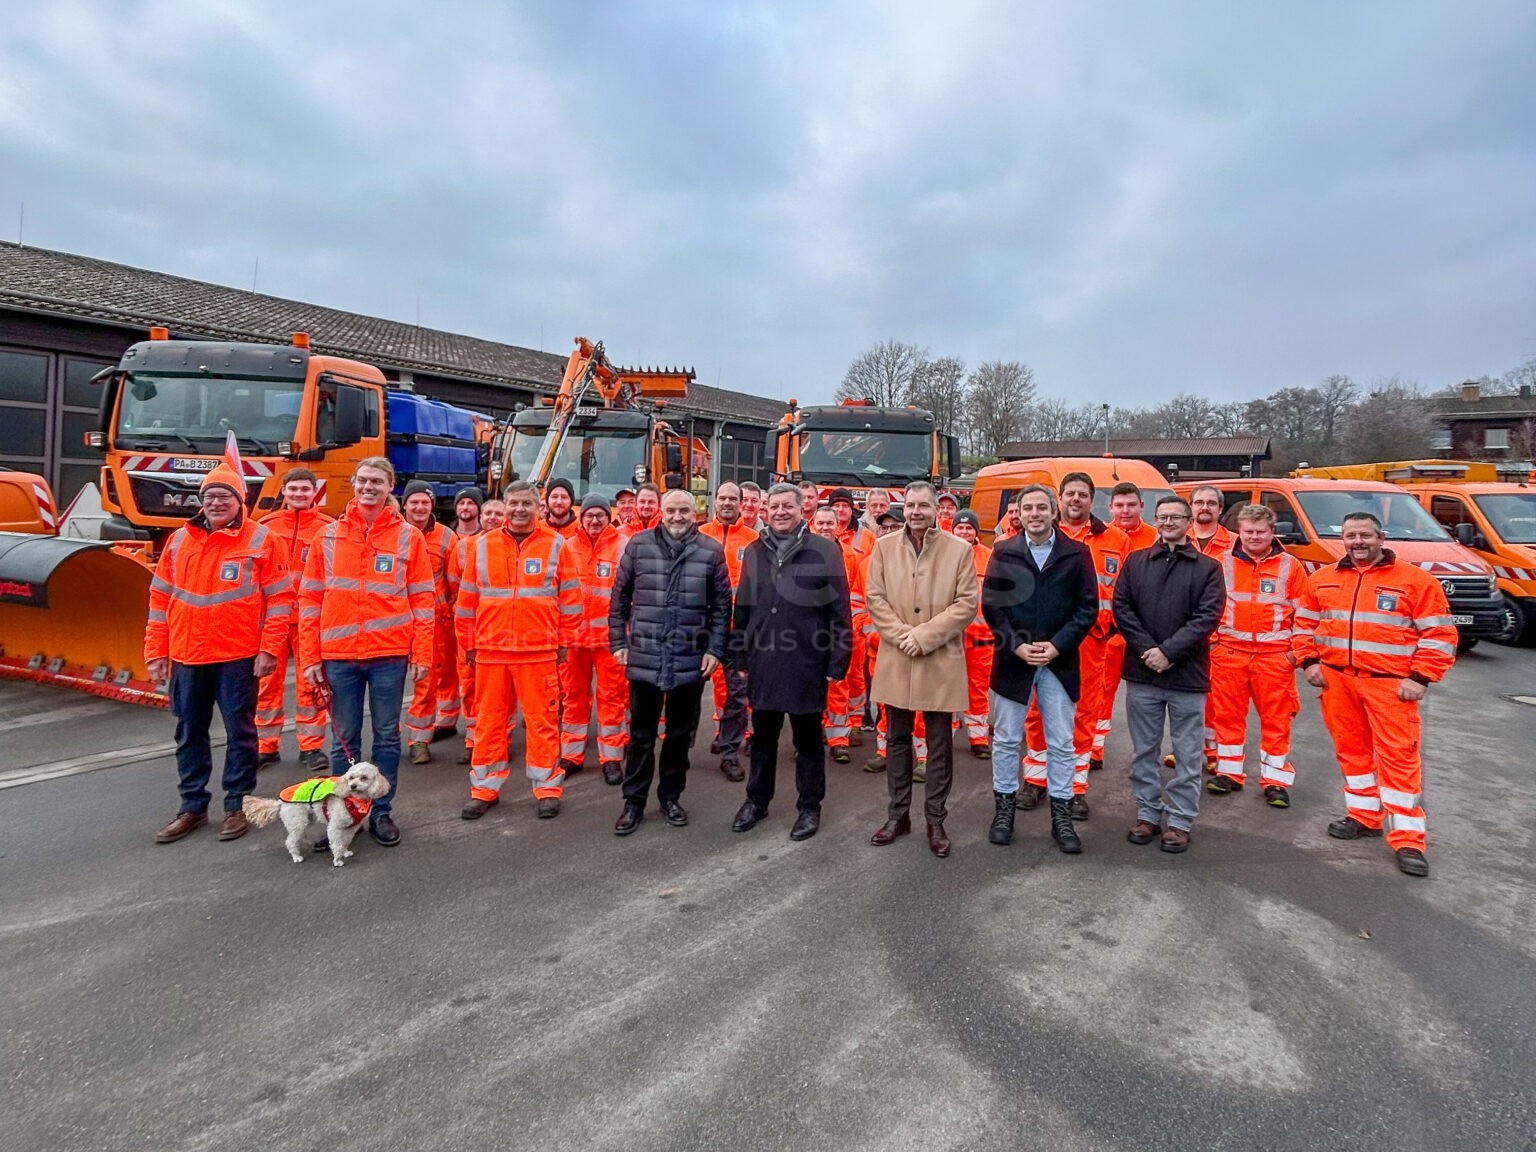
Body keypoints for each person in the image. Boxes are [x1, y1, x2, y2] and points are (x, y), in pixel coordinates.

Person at [1293, 512, 1456, 877]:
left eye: (1365, 535)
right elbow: (1302, 624)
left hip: (1391, 684)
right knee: (1352, 752)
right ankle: (1364, 816)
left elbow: (1440, 635)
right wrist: (1309, 663)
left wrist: (1422, 677)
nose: (1357, 542)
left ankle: (1408, 839)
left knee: (1398, 758)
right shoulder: (1322, 579)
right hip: (1337, 680)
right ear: (1343, 540)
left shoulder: (1415, 581)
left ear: (1381, 537)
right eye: (1350, 535)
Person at [146, 461, 293, 844]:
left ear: (239, 501)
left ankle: (237, 805)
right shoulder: (179, 541)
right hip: (187, 657)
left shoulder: (262, 540)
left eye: (224, 496)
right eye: (209, 496)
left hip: (238, 657)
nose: (215, 503)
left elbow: (280, 601)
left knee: (241, 734)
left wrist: (270, 649)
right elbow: (160, 599)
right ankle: (192, 807)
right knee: (189, 733)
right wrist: (156, 652)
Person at [299, 456, 435, 848]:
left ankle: (380, 812)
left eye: (376, 480)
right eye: (361, 480)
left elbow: (424, 600)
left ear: (390, 486)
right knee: (345, 741)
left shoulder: (409, 537)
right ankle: (342, 818)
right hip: (339, 656)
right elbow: (308, 600)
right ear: (354, 485)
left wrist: (422, 656)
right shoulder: (328, 537)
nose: (367, 487)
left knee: (388, 738)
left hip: (388, 656)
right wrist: (310, 658)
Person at [729, 483, 852, 841]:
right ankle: (757, 800)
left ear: (803, 511)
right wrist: (739, 654)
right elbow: (744, 608)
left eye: (788, 506)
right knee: (763, 738)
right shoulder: (754, 551)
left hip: (806, 662)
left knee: (808, 741)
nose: (780, 512)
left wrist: (836, 662)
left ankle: (809, 806)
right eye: (775, 506)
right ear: (766, 511)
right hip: (763, 659)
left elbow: (839, 613)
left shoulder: (826, 552)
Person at [609, 488, 732, 834]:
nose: (677, 517)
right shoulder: (638, 545)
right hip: (645, 656)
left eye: (684, 511)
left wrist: (715, 650)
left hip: (689, 658)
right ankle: (633, 802)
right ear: (661, 511)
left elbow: (722, 609)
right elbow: (619, 599)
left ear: (695, 513)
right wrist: (619, 641)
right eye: (672, 510)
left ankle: (670, 797)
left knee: (678, 735)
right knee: (641, 735)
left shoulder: (711, 551)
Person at [982, 484, 1097, 853]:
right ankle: (1004, 811)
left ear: (1053, 512)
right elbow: (992, 607)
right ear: (1019, 513)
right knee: (1006, 741)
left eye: (1041, 507)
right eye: (1027, 507)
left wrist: (1057, 645)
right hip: (1013, 662)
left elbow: (1087, 608)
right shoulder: (1003, 552)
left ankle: (1061, 816)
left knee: (1062, 743)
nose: (1034, 513)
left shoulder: (1077, 554)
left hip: (1059, 662)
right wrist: (1015, 645)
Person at [455, 480, 580, 820]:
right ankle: (484, 789)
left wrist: (565, 643)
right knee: (489, 724)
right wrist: (468, 644)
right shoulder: (482, 546)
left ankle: (547, 788)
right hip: (491, 650)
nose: (520, 510)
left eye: (527, 503)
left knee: (542, 724)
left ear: (539, 507)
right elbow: (466, 601)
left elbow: (570, 600)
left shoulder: (557, 546)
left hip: (538, 651)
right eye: (514, 504)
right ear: (504, 506)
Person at [865, 480, 978, 857]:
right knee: (896, 740)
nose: (916, 512)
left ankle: (935, 819)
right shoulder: (882, 548)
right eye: (910, 505)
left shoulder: (959, 550)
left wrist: (925, 636)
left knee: (939, 742)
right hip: (897, 656)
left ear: (937, 510)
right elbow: (875, 598)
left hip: (939, 658)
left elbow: (966, 604)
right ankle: (898, 815)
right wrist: (902, 635)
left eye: (923, 506)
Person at [1112, 495, 1225, 855]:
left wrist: (1168, 652)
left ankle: (1179, 821)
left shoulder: (1208, 568)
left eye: (1176, 516)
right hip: (1143, 674)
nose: (1168, 522)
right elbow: (1122, 608)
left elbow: (1207, 618)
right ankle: (1147, 813)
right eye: (1162, 517)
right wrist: (1149, 650)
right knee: (1144, 751)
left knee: (1188, 755)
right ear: (1155, 520)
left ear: (1189, 521)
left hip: (1186, 677)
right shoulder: (1135, 562)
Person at [1021, 472, 1129, 807]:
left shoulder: (1116, 539)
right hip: (1045, 638)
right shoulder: (1041, 533)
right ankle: (1036, 779)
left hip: (1091, 641)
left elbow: (1125, 591)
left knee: (1083, 712)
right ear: (1060, 499)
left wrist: (1111, 629)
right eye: (1069, 494)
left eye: (1082, 494)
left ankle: (1074, 788)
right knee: (1037, 710)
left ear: (1092, 499)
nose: (1075, 500)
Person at [1206, 504, 1306, 806]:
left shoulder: (1291, 566)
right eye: (1248, 531)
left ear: (1272, 532)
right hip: (1229, 654)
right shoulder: (1220, 562)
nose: (1253, 537)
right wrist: (1213, 644)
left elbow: (1306, 615)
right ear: (1240, 531)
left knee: (1277, 721)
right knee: (1226, 717)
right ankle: (1229, 773)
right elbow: (1206, 607)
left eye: (1260, 532)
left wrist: (1295, 655)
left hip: (1274, 657)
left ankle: (1275, 781)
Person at [254, 467, 333, 772]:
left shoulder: (328, 528)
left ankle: (310, 747)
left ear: (315, 493)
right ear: (283, 492)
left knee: (311, 683)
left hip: (309, 620)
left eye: (305, 489)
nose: (299, 494)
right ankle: (266, 746)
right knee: (266, 683)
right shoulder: (265, 527)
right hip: (272, 619)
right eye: (293, 489)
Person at [557, 494, 629, 785]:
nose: (595, 520)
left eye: (600, 514)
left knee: (612, 698)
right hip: (574, 640)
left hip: (610, 640)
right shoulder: (566, 548)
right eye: (589, 515)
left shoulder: (623, 546)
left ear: (608, 516)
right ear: (582, 517)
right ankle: (572, 755)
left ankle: (611, 758)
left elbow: (632, 593)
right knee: (572, 697)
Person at [1096, 481, 1160, 767]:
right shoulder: (1101, 536)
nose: (1125, 510)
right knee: (1101, 691)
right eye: (1119, 505)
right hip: (1108, 631)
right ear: (1110, 507)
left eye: (1131, 504)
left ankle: (1147, 756)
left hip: (1144, 631)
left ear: (1141, 507)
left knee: (1147, 699)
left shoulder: (1156, 538)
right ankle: (1094, 748)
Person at [699, 482, 755, 781]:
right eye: (722, 497)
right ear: (715, 500)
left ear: (742, 503)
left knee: (736, 694)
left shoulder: (755, 539)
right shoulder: (700, 535)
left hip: (738, 631)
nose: (728, 503)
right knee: (686, 693)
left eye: (734, 498)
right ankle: (680, 750)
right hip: (701, 629)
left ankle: (730, 751)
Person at [401, 480, 459, 765]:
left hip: (435, 622)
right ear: (405, 505)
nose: (420, 507)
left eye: (425, 502)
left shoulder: (447, 537)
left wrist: (451, 611)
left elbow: (455, 580)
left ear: (432, 505)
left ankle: (419, 740)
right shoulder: (395, 534)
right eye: (414, 502)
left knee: (427, 680)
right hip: (398, 621)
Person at [446, 498, 504, 766]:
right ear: (480, 516)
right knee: (469, 686)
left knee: (500, 690)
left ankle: (500, 737)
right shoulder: (464, 547)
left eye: (498, 513)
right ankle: (473, 740)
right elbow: (455, 586)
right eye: (488, 512)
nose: (493, 517)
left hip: (499, 630)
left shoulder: (512, 549)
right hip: (470, 628)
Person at [810, 506, 866, 763]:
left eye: (829, 523)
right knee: (809, 685)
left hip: (839, 629)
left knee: (838, 684)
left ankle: (838, 739)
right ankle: (809, 737)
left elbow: (855, 595)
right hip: (809, 631)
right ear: (813, 525)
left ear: (838, 526)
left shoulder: (851, 556)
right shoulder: (803, 554)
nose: (824, 527)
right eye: (820, 523)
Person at [950, 510, 994, 757]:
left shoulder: (989, 558)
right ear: (953, 530)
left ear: (976, 531)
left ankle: (979, 738)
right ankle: (948, 733)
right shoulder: (942, 555)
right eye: (960, 528)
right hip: (950, 638)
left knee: (978, 688)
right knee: (949, 687)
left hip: (981, 637)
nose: (964, 532)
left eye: (969, 528)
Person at [827, 488, 875, 556]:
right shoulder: (816, 532)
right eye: (837, 505)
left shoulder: (869, 537)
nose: (841, 509)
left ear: (852, 509)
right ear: (829, 509)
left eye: (845, 505)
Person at [1189, 486, 1233, 557]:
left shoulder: (1236, 542)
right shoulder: (1179, 539)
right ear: (1191, 507)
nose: (1205, 508)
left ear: (1220, 509)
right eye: (1199, 503)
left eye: (1211, 503)